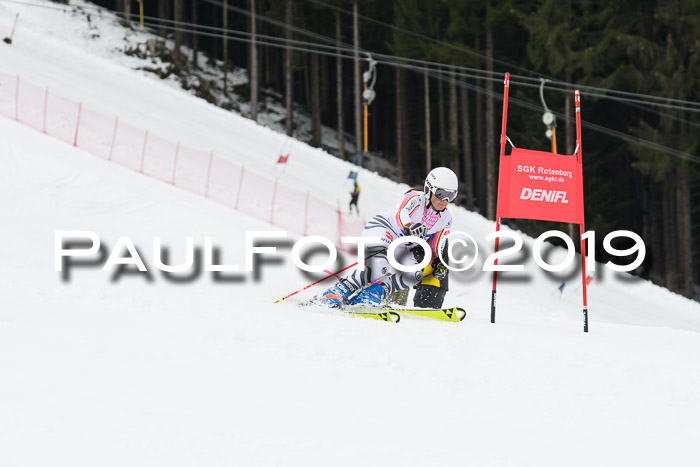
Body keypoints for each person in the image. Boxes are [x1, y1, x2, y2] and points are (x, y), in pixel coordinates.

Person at [313, 167, 457, 308]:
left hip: (403, 246)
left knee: (415, 273)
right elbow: (401, 214)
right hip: (384, 229)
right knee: (378, 267)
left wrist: (439, 262)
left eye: (450, 196)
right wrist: (409, 226)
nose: (444, 200)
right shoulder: (415, 198)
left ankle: (371, 294)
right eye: (440, 194)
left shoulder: (446, 218)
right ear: (429, 189)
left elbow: (438, 244)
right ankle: (336, 293)